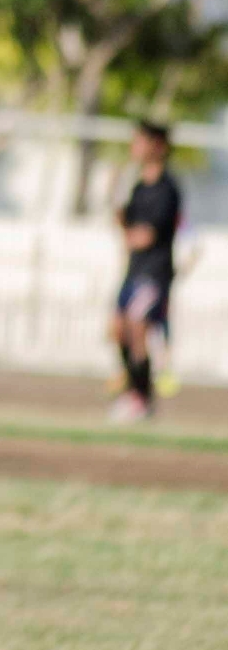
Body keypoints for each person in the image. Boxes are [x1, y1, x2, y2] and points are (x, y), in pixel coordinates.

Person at [110, 120, 181, 424]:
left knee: (137, 326)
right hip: (133, 270)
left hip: (154, 274)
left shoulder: (167, 189)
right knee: (117, 330)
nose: (134, 147)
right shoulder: (138, 186)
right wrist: (114, 194)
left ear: (157, 146)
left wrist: (131, 234)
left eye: (140, 141)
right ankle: (137, 392)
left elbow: (146, 235)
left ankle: (140, 399)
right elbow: (124, 226)